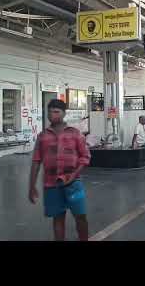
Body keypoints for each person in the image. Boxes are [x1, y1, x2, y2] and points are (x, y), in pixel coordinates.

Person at [29, 99, 91, 241]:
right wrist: (31, 186)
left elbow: (85, 157)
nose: (52, 115)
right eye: (50, 112)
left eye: (56, 112)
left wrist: (74, 174)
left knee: (81, 217)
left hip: (74, 184)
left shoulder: (75, 134)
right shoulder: (42, 136)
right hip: (51, 185)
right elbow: (36, 161)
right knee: (58, 218)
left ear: (64, 114)